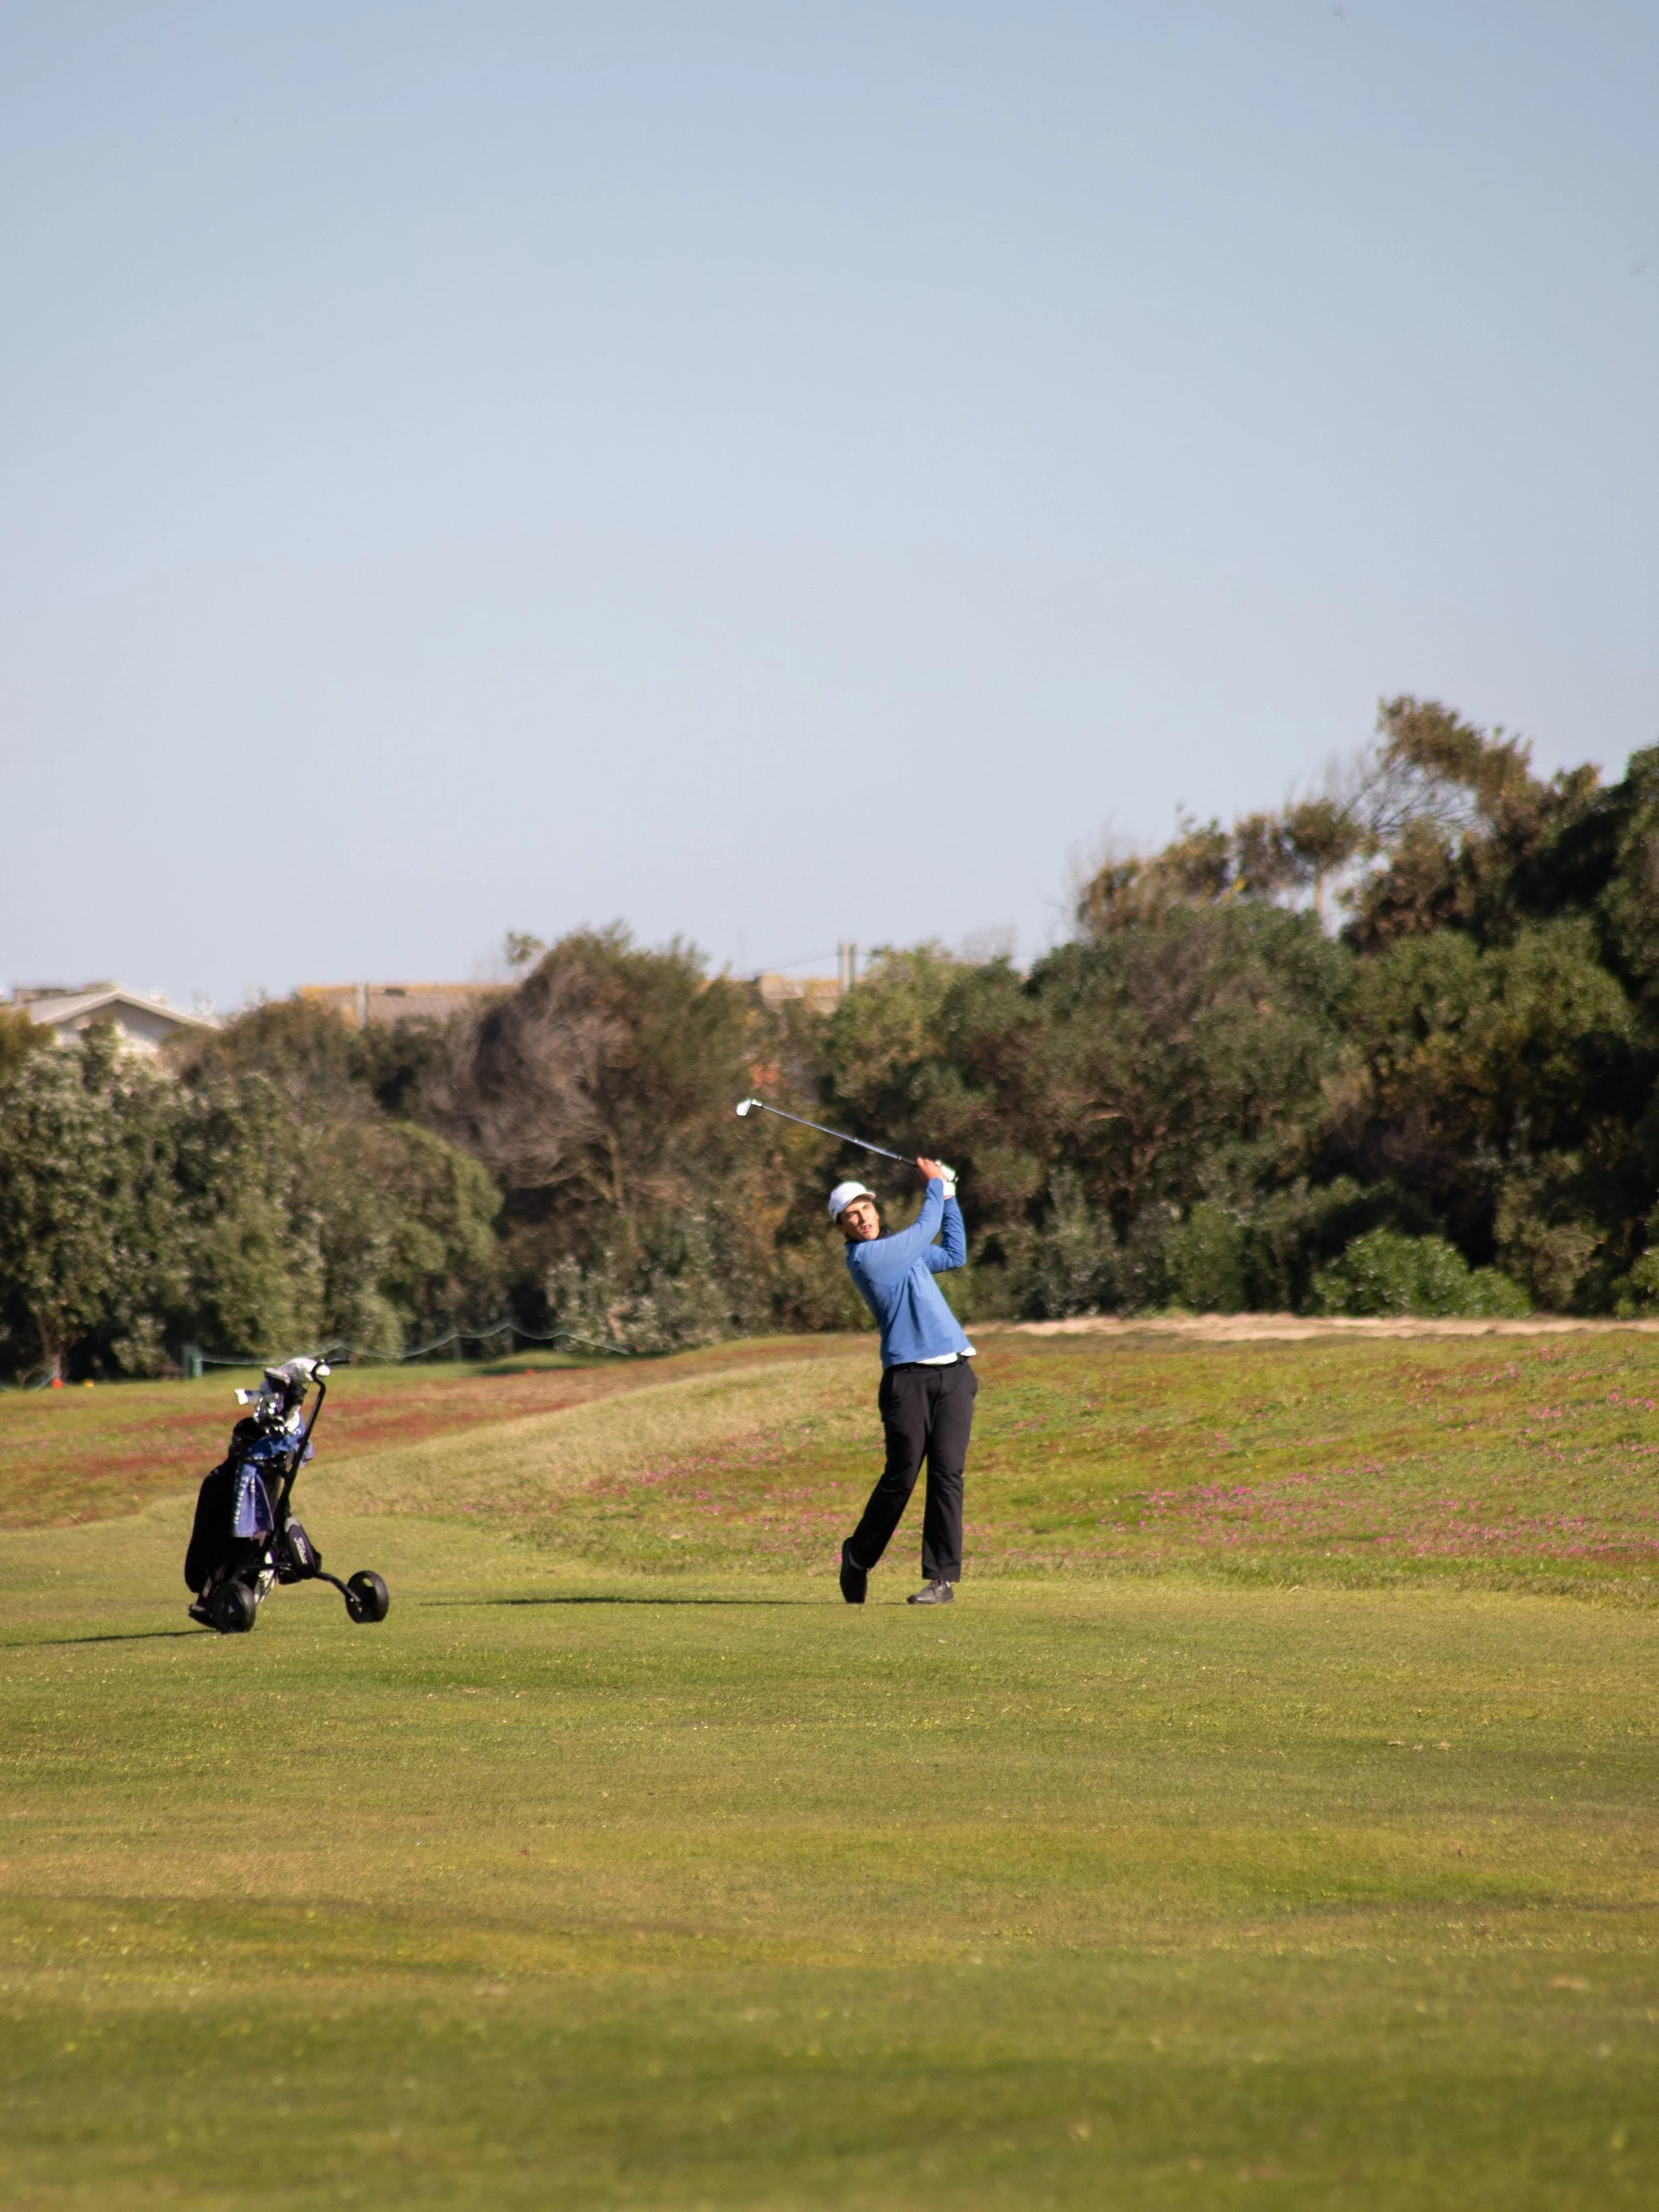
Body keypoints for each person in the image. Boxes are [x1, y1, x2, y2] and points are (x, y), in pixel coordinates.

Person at [831, 1157, 976, 1606]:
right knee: (902, 1476)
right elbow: (926, 1223)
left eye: (865, 1209)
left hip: (954, 1371)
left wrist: (949, 1195)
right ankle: (858, 1556)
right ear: (844, 1228)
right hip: (906, 1378)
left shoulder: (903, 1249)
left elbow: (954, 1251)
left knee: (948, 1475)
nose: (862, 1219)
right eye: (851, 1216)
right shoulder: (869, 1258)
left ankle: (941, 1580)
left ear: (875, 1208)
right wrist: (936, 1184)